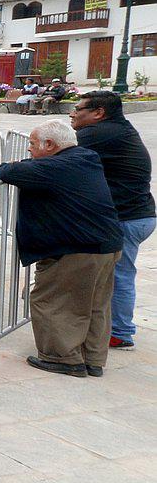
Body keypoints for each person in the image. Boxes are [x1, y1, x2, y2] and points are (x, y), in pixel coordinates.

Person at [0, 120, 123, 377]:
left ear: (49, 145)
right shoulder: (86, 157)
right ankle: (93, 359)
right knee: (96, 304)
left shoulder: (54, 167)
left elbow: (4, 171)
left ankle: (62, 358)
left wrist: (19, 166)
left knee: (52, 301)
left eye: (31, 144)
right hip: (106, 244)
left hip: (77, 249)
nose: (28, 150)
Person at [70, 91, 155, 350]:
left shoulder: (98, 133)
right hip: (137, 215)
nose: (72, 113)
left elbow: (60, 158)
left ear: (98, 113)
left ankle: (119, 332)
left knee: (119, 276)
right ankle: (110, 326)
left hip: (127, 219)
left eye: (79, 109)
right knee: (114, 274)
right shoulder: (116, 129)